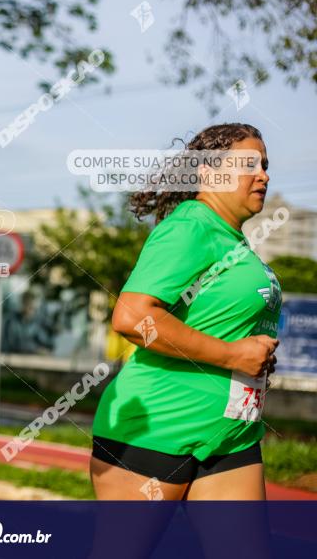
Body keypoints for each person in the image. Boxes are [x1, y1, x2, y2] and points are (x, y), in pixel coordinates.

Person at [90, 123, 282, 501]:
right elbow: (131, 318)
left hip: (230, 436)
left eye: (264, 165)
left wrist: (251, 355)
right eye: (249, 165)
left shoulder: (231, 238)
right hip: (159, 430)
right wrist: (233, 355)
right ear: (208, 173)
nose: (263, 175)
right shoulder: (191, 226)